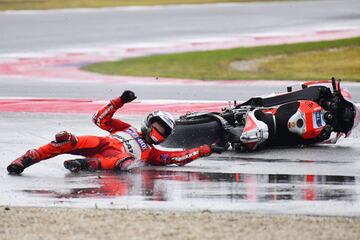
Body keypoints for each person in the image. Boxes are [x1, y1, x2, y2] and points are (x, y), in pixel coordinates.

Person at [7, 90, 225, 175]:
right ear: (149, 123)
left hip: (117, 160)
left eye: (162, 134)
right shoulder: (126, 128)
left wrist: (205, 150)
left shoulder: (154, 153)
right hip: (100, 143)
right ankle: (25, 160)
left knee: (126, 162)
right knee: (69, 141)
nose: (157, 135)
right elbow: (99, 119)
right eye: (157, 128)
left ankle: (84, 166)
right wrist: (119, 101)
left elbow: (178, 157)